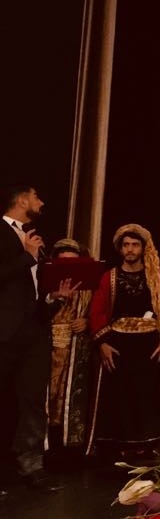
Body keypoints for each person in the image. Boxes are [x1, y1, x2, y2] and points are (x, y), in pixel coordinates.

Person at [88, 224, 160, 461]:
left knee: (146, 396)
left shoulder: (158, 278)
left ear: (143, 248)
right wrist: (103, 343)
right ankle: (119, 445)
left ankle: (146, 443)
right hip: (119, 346)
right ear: (120, 248)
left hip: (149, 346)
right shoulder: (110, 278)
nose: (130, 249)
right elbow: (97, 312)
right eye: (126, 245)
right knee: (120, 397)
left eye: (135, 245)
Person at [0, 184, 62, 492]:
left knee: (33, 401)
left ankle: (32, 467)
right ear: (22, 199)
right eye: (37, 196)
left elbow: (35, 292)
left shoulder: (34, 239)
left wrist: (56, 298)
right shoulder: (2, 232)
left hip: (34, 333)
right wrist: (26, 256)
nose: (42, 202)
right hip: (4, 332)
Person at [47, 238, 99, 453]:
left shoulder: (88, 286)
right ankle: (49, 445)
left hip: (78, 348)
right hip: (49, 348)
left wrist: (87, 322)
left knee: (73, 397)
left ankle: (72, 448)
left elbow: (99, 311)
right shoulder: (47, 284)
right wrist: (55, 298)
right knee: (50, 396)